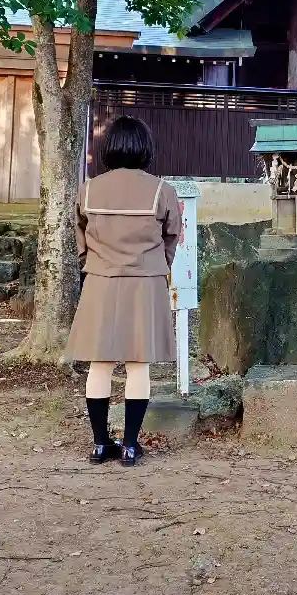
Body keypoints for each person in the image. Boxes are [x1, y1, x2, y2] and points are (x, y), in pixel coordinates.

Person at [64, 116, 181, 466]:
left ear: (109, 148)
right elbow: (171, 237)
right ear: (145, 149)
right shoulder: (161, 190)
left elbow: (80, 237)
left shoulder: (88, 189)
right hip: (144, 283)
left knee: (99, 364)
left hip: (100, 281)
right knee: (137, 365)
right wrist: (155, 265)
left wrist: (94, 263)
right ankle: (130, 445)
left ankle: (101, 445)